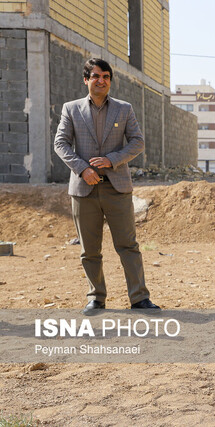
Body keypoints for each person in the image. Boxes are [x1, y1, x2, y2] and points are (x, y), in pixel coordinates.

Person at [54, 58, 159, 315]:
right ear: (86, 80)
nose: (101, 80)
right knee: (89, 249)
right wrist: (83, 168)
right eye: (96, 76)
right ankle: (96, 298)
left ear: (110, 81)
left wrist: (112, 160)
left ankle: (139, 299)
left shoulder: (124, 109)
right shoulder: (71, 109)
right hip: (84, 188)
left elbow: (137, 142)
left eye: (106, 76)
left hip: (117, 187)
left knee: (128, 246)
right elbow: (60, 143)